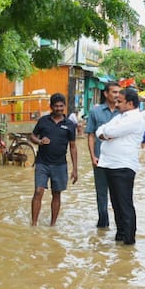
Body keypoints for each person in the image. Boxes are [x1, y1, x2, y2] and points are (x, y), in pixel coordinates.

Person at [95, 88, 145, 245]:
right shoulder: (121, 116)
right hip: (111, 164)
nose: (116, 104)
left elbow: (109, 130)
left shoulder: (135, 118)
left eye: (120, 101)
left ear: (130, 103)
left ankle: (129, 240)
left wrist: (106, 133)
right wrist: (105, 134)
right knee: (116, 203)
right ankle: (121, 235)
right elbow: (100, 130)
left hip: (123, 166)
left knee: (124, 204)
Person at [30, 93, 78, 226]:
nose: (58, 108)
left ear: (64, 107)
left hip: (60, 165)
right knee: (38, 191)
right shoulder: (43, 121)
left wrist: (75, 169)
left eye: (61, 106)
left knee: (56, 194)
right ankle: (33, 224)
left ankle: (53, 225)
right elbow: (32, 136)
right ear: (51, 107)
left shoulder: (69, 125)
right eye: (56, 106)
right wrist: (39, 141)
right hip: (42, 163)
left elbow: (73, 147)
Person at [85, 82, 121, 228]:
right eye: (114, 92)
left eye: (119, 92)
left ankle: (120, 224)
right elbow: (91, 135)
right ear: (106, 94)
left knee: (118, 193)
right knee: (101, 192)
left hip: (119, 160)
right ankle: (103, 222)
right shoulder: (96, 112)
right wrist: (92, 156)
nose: (117, 95)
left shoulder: (123, 113)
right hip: (100, 159)